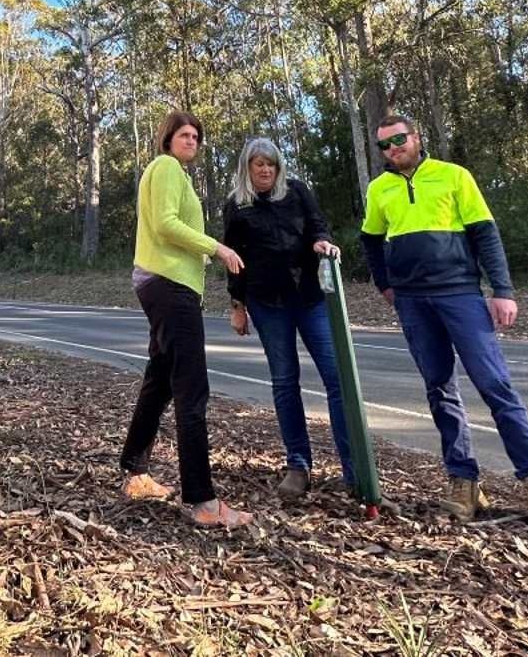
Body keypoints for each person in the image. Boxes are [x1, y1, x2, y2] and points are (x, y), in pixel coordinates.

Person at [359, 114, 528, 545]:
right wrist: (385, 283)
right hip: (412, 301)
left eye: (399, 140)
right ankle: (463, 482)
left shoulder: (453, 176)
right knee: (439, 388)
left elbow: (485, 234)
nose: (393, 150)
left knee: (494, 384)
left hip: (459, 293)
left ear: (417, 137)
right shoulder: (380, 188)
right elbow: (371, 239)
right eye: (384, 146)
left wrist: (502, 290)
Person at [119, 110, 254, 528]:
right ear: (168, 138)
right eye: (184, 134)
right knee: (191, 389)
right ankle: (202, 501)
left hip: (170, 285)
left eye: (196, 135)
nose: (191, 140)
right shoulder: (165, 167)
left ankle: (135, 471)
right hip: (169, 285)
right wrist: (218, 248)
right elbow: (165, 224)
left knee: (160, 380)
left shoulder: (176, 174)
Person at [221, 138, 357, 500]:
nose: (265, 170)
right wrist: (237, 305)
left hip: (310, 298)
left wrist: (321, 243)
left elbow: (317, 225)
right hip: (267, 302)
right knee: (285, 381)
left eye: (271, 164)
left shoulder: (296, 191)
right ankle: (298, 464)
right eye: (258, 164)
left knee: (336, 378)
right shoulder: (237, 206)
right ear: (247, 168)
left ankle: (354, 468)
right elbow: (234, 259)